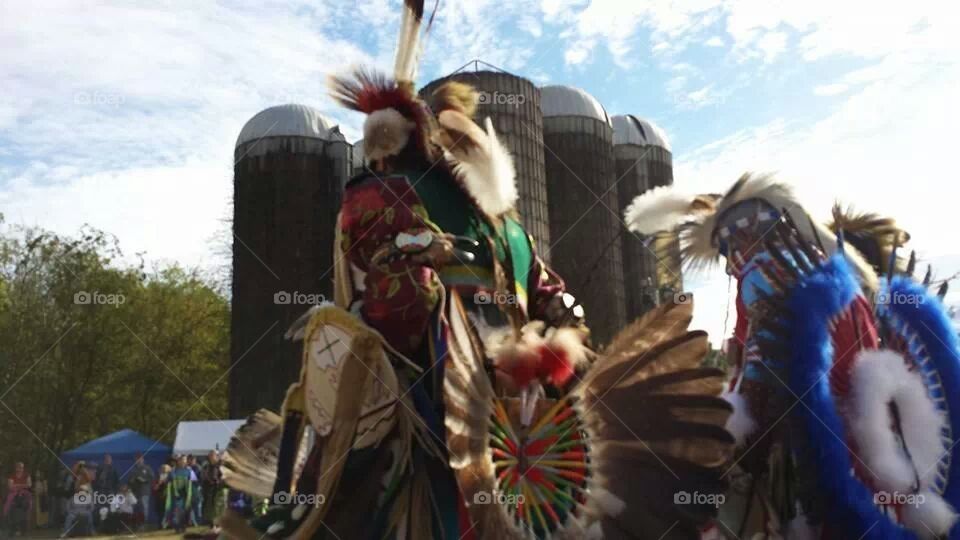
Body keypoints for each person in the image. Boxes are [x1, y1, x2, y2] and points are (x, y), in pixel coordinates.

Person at [162, 456, 194, 533]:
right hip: (176, 495)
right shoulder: (173, 471)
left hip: (186, 496)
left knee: (185, 512)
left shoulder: (189, 471)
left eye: (184, 460)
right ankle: (177, 528)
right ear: (178, 461)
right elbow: (167, 482)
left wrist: (192, 495)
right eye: (182, 460)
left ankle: (183, 527)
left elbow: (194, 482)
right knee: (176, 512)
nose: (183, 461)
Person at [4, 462, 32, 536]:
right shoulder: (12, 476)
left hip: (24, 493)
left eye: (21, 467)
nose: (20, 469)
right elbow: (10, 486)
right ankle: (8, 520)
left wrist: (16, 485)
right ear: (16, 468)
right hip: (14, 493)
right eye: (18, 467)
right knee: (9, 504)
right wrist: (22, 485)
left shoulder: (27, 475)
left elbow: (29, 485)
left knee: (28, 504)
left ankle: (24, 528)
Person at [127, 453, 154, 530]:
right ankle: (135, 524)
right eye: (137, 459)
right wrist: (132, 481)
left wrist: (144, 480)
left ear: (143, 459)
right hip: (135, 493)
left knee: (144, 508)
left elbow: (152, 478)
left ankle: (144, 524)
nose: (138, 461)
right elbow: (129, 481)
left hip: (144, 492)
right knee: (135, 509)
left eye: (140, 459)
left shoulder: (147, 468)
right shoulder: (133, 469)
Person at [200, 451, 225, 528]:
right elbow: (203, 476)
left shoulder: (221, 466)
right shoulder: (206, 466)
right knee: (210, 506)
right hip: (209, 489)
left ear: (217, 456)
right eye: (210, 455)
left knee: (218, 506)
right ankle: (212, 523)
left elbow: (225, 476)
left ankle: (219, 523)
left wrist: (219, 481)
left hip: (219, 489)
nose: (211, 457)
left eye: (213, 455)